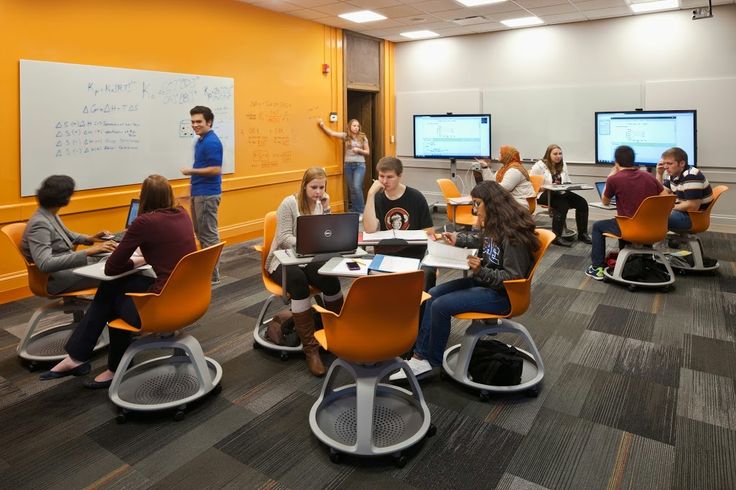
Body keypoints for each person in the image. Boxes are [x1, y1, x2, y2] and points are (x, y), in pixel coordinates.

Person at [39, 175, 198, 388]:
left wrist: (133, 262)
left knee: (110, 294)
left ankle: (103, 363)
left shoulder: (144, 222)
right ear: (169, 195)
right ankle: (85, 359)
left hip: (163, 306)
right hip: (189, 296)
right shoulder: (182, 214)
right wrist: (140, 261)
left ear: (144, 199)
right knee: (114, 287)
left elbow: (111, 267)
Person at [390, 180, 540, 380]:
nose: (474, 210)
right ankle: (420, 356)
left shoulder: (514, 235)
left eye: (477, 204)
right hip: (486, 283)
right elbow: (484, 243)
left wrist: (481, 271)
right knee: (432, 295)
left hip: (505, 295)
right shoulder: (497, 225)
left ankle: (430, 361)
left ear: (491, 203)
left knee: (440, 306)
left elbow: (513, 278)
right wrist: (459, 239)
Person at [265, 167, 344, 377]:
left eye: (322, 187)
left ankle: (339, 334)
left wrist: (326, 209)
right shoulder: (289, 203)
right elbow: (283, 237)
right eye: (314, 187)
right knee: (299, 284)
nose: (318, 192)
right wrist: (307, 244)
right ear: (304, 186)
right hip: (281, 260)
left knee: (331, 281)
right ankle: (311, 349)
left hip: (308, 258)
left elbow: (326, 232)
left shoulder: (320, 203)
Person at [22, 175, 117, 295]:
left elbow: (67, 234)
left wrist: (90, 238)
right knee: (117, 270)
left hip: (67, 269)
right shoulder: (40, 224)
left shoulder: (48, 213)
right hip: (59, 279)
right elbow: (45, 264)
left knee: (115, 260)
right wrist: (89, 251)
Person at [584, 146, 663, 280]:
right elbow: (665, 196)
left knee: (597, 226)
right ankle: (644, 259)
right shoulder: (649, 176)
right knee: (622, 220)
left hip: (629, 228)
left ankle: (597, 267)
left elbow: (605, 202)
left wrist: (610, 176)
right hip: (654, 228)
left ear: (616, 161)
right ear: (633, 160)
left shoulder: (614, 179)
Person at [363, 156, 436, 288]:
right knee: (363, 274)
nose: (385, 181)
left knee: (428, 273)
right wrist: (370, 194)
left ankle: (420, 309)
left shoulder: (416, 197)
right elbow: (369, 229)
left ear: (400, 175)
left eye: (390, 177)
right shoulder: (376, 198)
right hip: (385, 256)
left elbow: (430, 232)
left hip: (413, 255)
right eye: (381, 176)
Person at [181, 105, 223, 285]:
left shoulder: (212, 142)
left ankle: (212, 275)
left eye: (199, 121)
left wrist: (191, 171)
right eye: (192, 122)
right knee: (201, 233)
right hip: (199, 193)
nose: (195, 125)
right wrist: (189, 190)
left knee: (208, 236)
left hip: (207, 195)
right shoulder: (201, 140)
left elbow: (215, 169)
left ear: (209, 122)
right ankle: (209, 272)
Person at [530, 144, 592, 247]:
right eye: (555, 154)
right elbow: (532, 184)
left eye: (560, 153)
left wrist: (568, 186)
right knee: (562, 204)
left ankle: (583, 234)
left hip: (561, 193)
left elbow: (566, 181)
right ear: (548, 155)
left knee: (582, 203)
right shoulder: (539, 166)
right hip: (544, 194)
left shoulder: (563, 164)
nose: (558, 156)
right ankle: (556, 237)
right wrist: (545, 187)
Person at [318, 118, 370, 219]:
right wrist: (322, 125)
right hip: (348, 165)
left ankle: (361, 211)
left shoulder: (363, 137)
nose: (356, 128)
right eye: (354, 126)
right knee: (351, 188)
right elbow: (332, 133)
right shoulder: (345, 136)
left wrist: (359, 150)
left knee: (356, 187)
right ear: (350, 126)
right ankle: (355, 211)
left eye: (357, 126)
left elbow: (367, 152)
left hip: (360, 165)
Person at [656, 147, 713, 231]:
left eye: (669, 163)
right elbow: (660, 194)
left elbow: (692, 207)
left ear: (682, 163)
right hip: (682, 212)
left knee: (652, 217)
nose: (665, 167)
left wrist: (669, 207)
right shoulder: (674, 174)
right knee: (651, 214)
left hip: (692, 218)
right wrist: (659, 174)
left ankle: (646, 242)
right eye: (664, 163)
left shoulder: (691, 176)